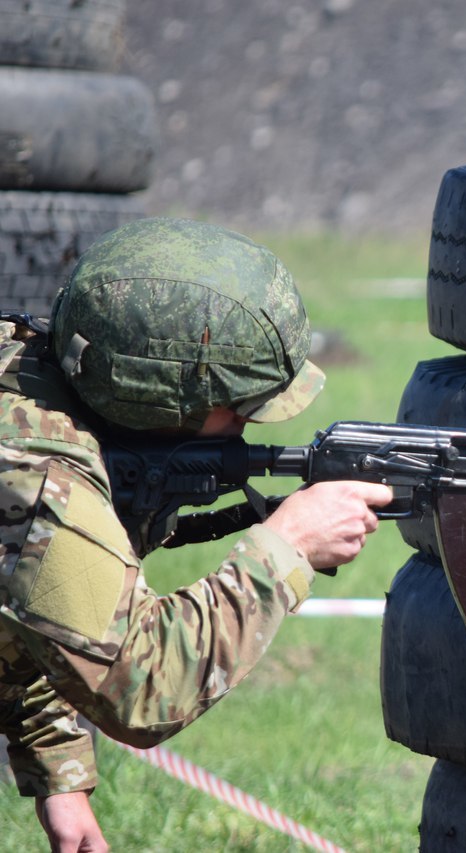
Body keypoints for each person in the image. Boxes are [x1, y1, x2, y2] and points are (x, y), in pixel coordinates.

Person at [0, 217, 393, 851]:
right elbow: (147, 687)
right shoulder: (37, 473)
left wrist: (59, 776)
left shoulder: (29, 377)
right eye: (237, 406)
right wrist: (284, 548)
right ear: (154, 392)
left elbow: (25, 614)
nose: (246, 422)